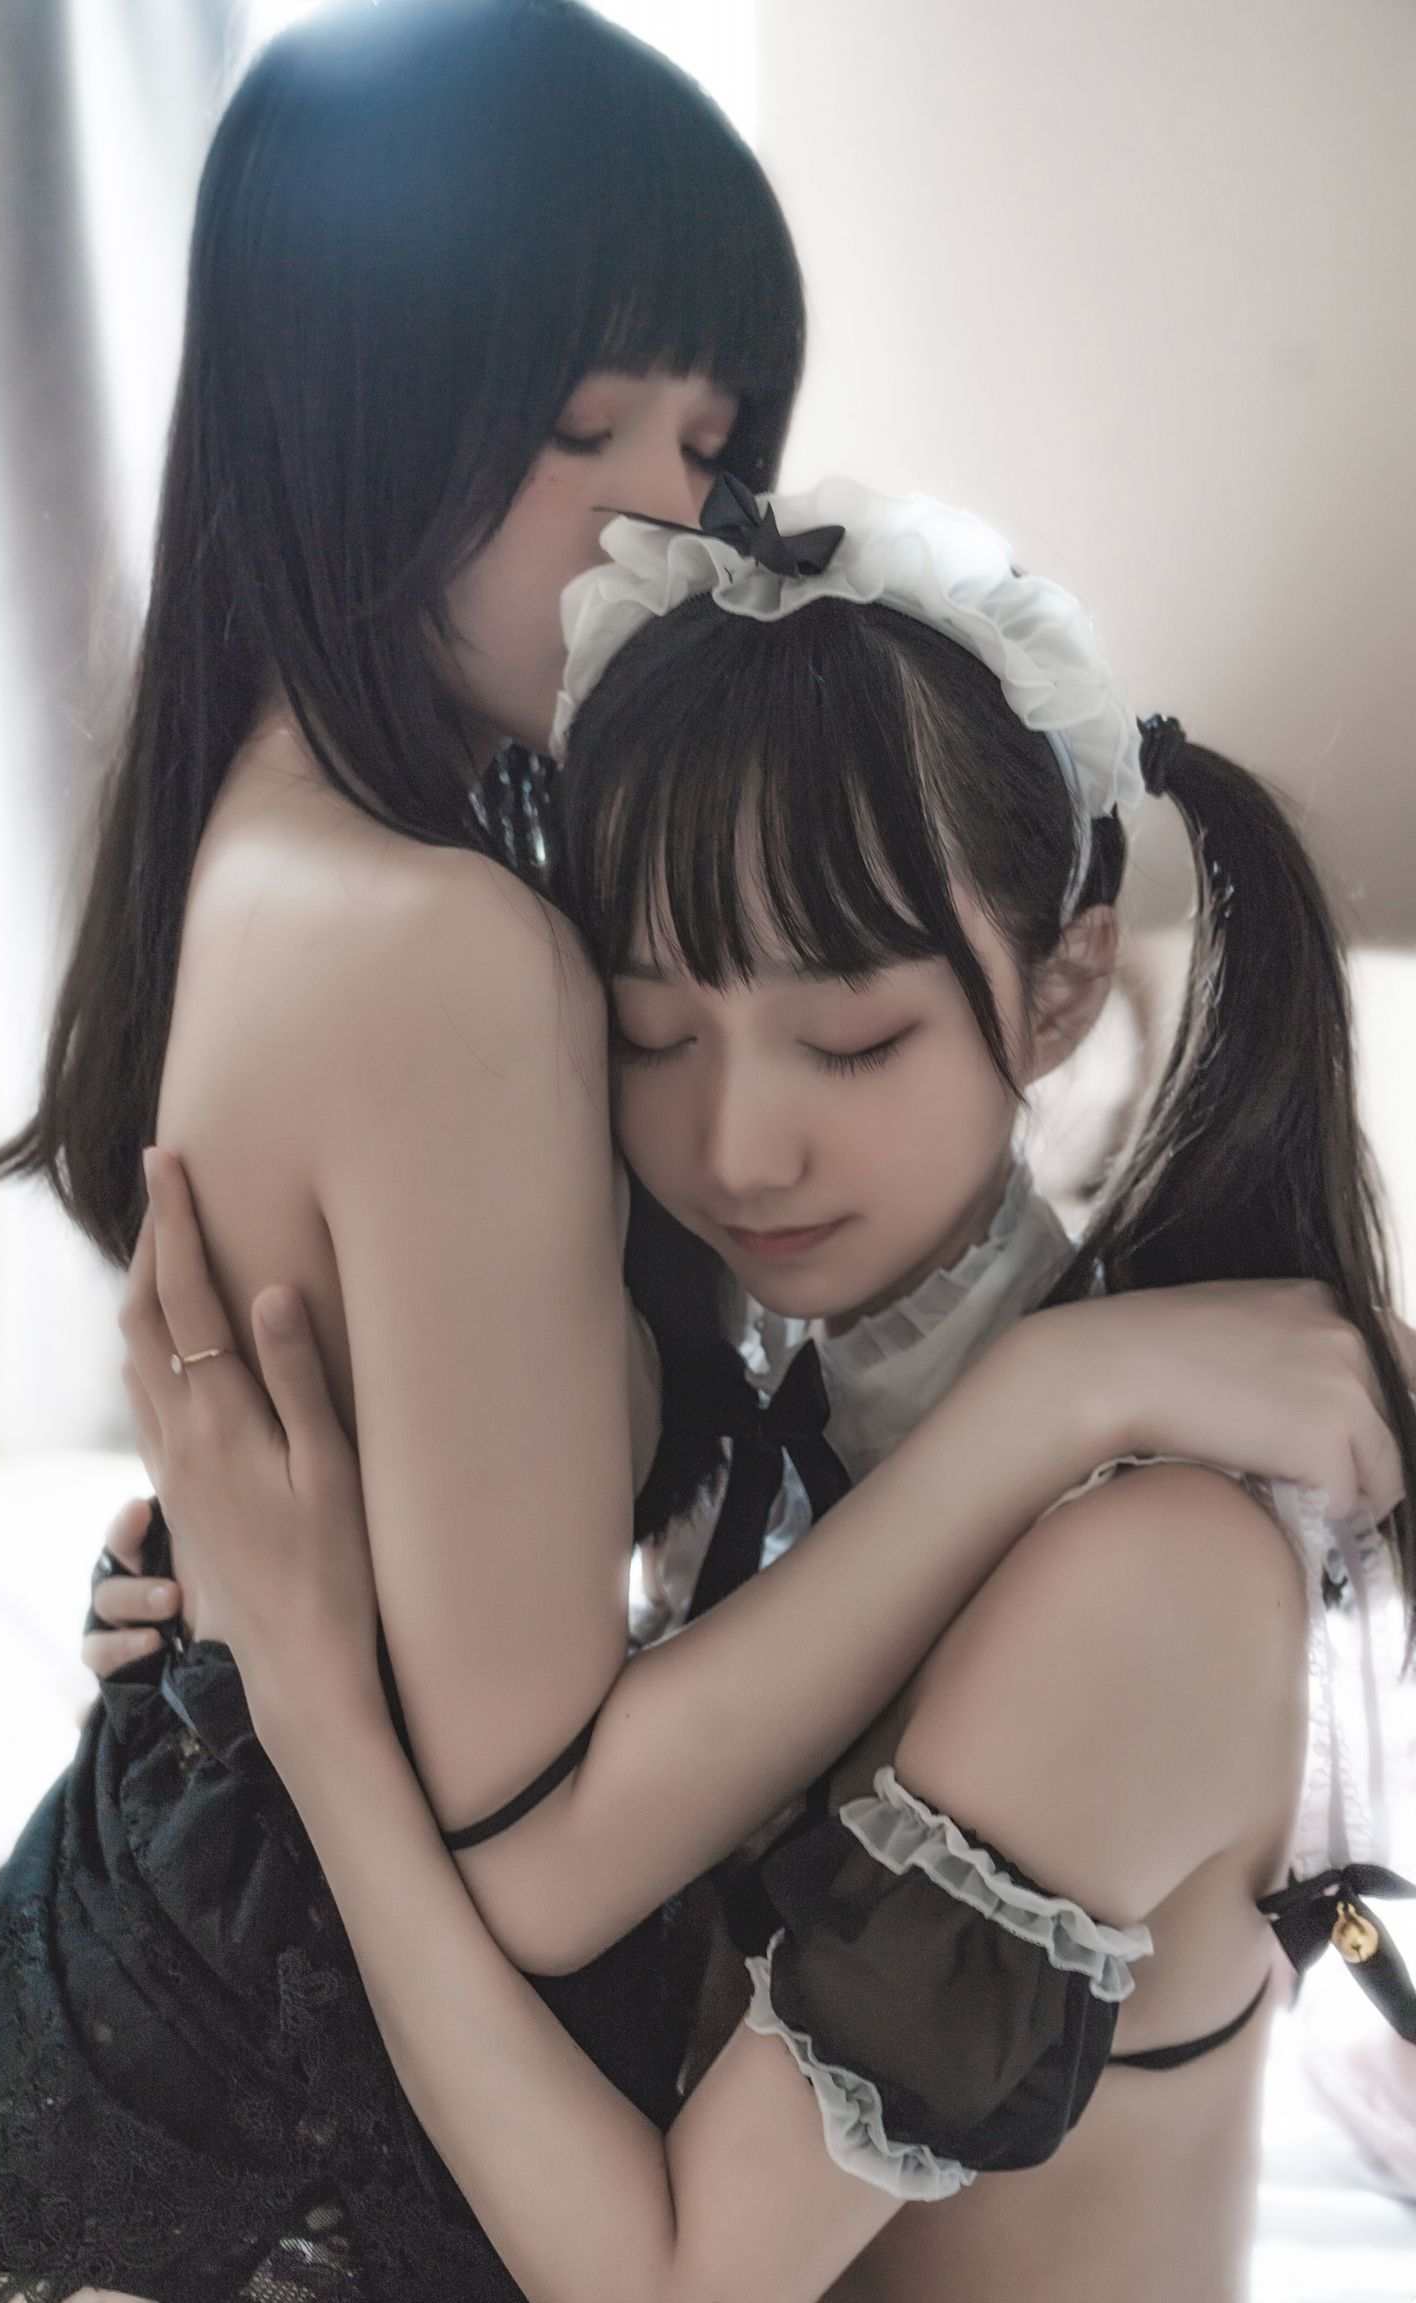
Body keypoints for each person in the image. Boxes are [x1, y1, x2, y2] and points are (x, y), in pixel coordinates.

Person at [0, 0, 1405, 2291]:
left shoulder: (296, 854)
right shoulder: (468, 956)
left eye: (709, 437)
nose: (668, 516)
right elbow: (552, 1786)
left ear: (1064, 995)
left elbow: (587, 2005)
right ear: (348, 405)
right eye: (582, 423)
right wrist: (275, 1631)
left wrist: (302, 1678)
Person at [101, 483, 1416, 2303]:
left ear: (1060, 992)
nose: (738, 1146)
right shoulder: (738, 1392)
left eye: (852, 1040)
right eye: (655, 1033)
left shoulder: (1154, 1570)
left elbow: (670, 2280)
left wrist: (320, 1714)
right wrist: (233, 1627)